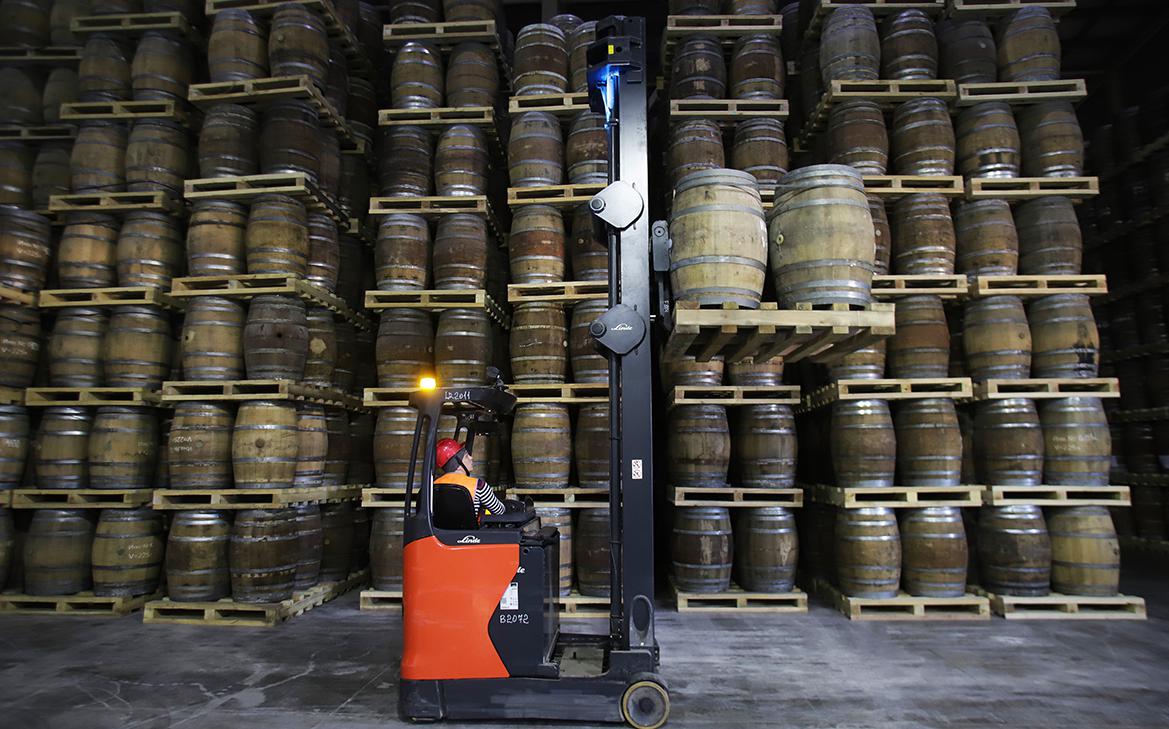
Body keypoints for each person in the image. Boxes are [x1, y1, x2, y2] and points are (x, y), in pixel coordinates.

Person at [434, 438, 506, 522]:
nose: (471, 457)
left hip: (441, 530)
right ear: (458, 463)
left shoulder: (433, 486)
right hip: (471, 530)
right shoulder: (478, 485)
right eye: (466, 456)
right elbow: (499, 511)